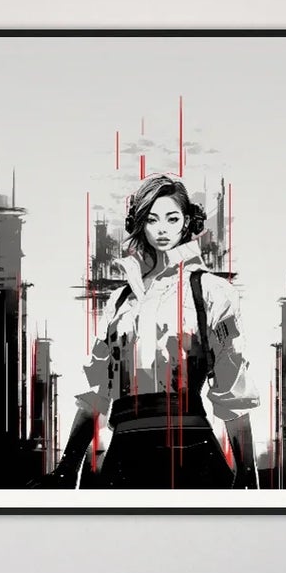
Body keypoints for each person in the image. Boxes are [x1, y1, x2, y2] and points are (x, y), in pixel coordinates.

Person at [44, 175, 259, 489]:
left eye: (172, 219)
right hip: (124, 455)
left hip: (191, 452)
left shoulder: (212, 291)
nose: (162, 229)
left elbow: (232, 391)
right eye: (151, 219)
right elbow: (98, 391)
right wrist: (66, 470)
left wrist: (249, 477)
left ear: (187, 222)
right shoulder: (120, 300)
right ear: (140, 223)